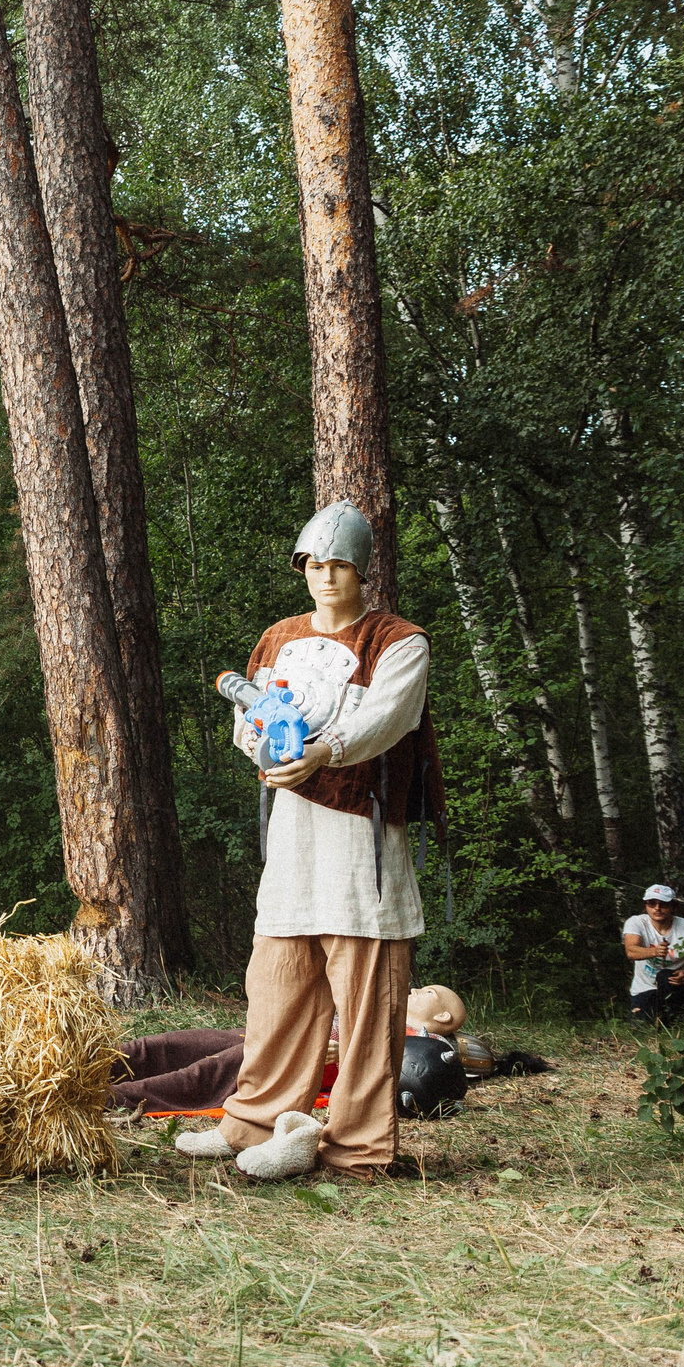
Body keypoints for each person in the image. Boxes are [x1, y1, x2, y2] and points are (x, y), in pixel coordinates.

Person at [173, 501, 439, 1181]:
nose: (326, 576)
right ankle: (253, 1124)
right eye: (315, 564)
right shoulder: (278, 637)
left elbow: (386, 717)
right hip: (292, 831)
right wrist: (260, 742)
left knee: (367, 997)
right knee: (277, 985)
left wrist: (324, 750)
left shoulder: (398, 639)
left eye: (339, 564)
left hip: (361, 836)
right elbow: (250, 716)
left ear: (361, 569)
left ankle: (357, 1146)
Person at [623, 885, 684, 1025]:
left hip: (675, 985)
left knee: (665, 975)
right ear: (646, 905)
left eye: (663, 904)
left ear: (673, 906)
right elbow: (631, 951)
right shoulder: (636, 922)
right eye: (652, 903)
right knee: (641, 1023)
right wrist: (654, 951)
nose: (657, 908)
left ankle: (679, 1013)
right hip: (645, 988)